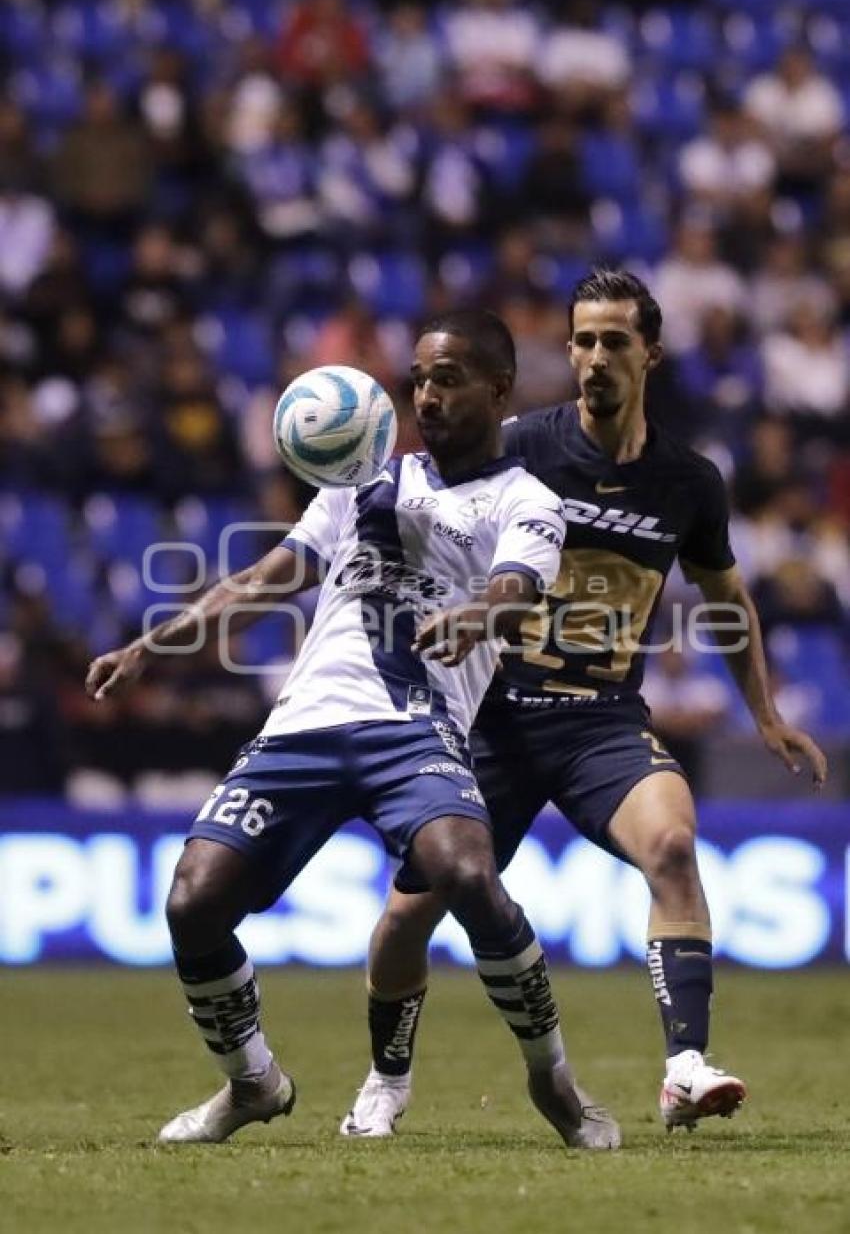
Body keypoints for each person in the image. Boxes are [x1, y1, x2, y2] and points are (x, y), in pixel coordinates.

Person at [85, 309, 616, 1150]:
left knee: (467, 872)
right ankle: (252, 1081)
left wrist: (477, 612)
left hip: (416, 725)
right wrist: (151, 647)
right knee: (193, 901)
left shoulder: (527, 500)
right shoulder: (359, 485)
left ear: (499, 389)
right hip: (304, 725)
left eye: (449, 378)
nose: (428, 395)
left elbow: (517, 585)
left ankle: (552, 1076)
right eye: (419, 379)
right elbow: (264, 580)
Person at [341, 271, 828, 1139]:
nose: (594, 357)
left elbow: (726, 599)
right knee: (407, 916)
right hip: (494, 717)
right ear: (565, 352)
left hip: (601, 720)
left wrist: (764, 712)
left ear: (651, 354)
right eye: (582, 341)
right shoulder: (519, 445)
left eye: (613, 341)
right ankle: (386, 1078)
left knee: (674, 843)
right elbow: (417, 521)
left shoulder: (689, 482)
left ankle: (684, 1067)